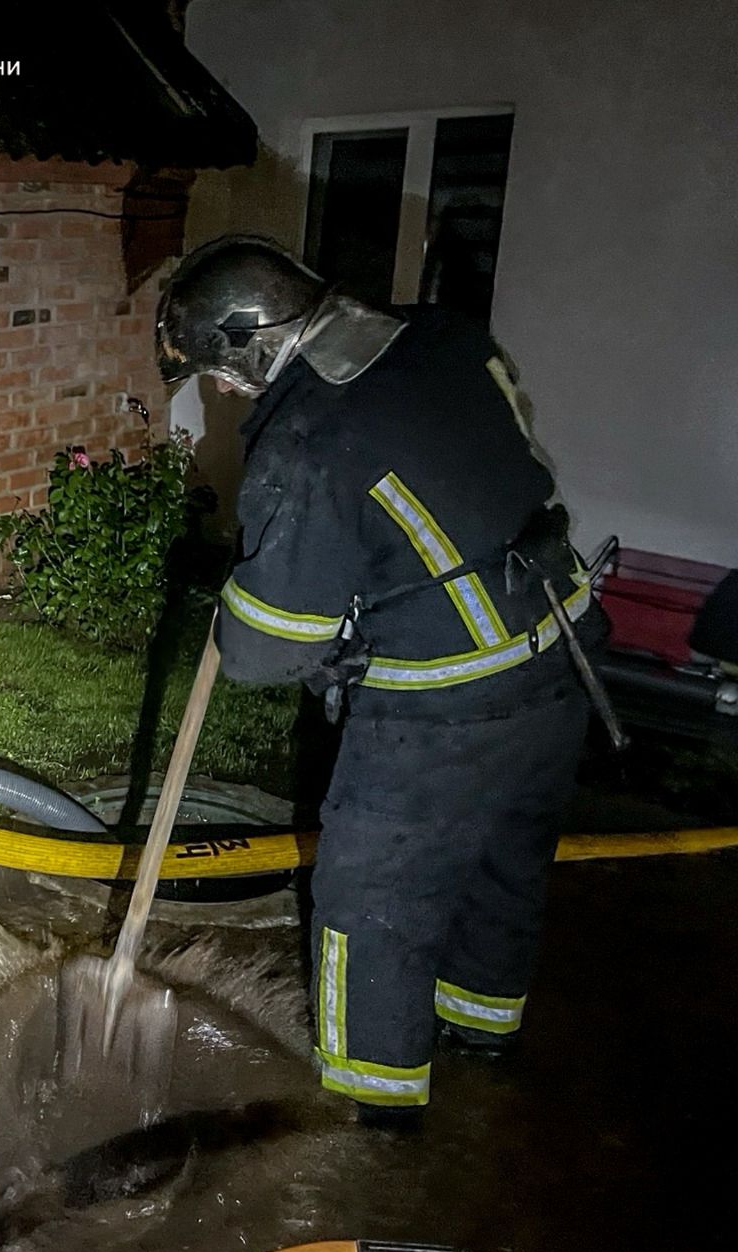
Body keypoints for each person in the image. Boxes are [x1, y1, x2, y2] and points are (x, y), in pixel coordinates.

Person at [155, 236, 609, 1129]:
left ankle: (377, 1119)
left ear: (252, 344)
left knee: (372, 903)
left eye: (219, 372)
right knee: (500, 861)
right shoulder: (442, 338)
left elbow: (265, 651)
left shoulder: (311, 438)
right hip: (563, 654)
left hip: (442, 710)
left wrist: (238, 597)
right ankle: (483, 1032)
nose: (220, 392)